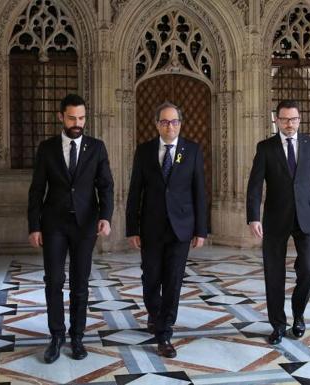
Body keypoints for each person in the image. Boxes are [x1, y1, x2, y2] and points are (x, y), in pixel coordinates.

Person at [28, 94, 114, 363]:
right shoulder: (47, 148)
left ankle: (77, 337)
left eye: (81, 118)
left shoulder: (97, 147)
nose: (77, 123)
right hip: (54, 225)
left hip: (85, 225)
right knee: (53, 282)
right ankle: (56, 337)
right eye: (72, 118)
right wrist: (34, 226)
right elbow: (36, 190)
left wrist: (106, 216)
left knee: (80, 284)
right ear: (60, 117)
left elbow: (106, 186)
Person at [246, 99, 310, 345]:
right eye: (284, 119)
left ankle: (298, 314)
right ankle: (278, 325)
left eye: (293, 119)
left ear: (299, 120)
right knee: (274, 274)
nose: (289, 124)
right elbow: (254, 186)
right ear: (276, 120)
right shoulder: (265, 147)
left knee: (308, 270)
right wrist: (253, 216)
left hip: (307, 215)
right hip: (275, 217)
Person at [126, 102, 207, 358]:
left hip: (181, 229)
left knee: (173, 281)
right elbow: (135, 192)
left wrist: (201, 230)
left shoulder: (191, 151)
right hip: (150, 227)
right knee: (151, 279)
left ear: (180, 124)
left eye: (173, 122)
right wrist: (132, 228)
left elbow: (199, 192)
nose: (169, 126)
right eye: (164, 121)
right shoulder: (144, 151)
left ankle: (164, 333)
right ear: (156, 124)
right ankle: (155, 313)